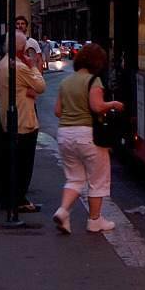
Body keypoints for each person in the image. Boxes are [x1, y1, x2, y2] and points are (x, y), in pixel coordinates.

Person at [52, 43, 124, 234]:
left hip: (64, 135)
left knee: (74, 178)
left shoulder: (65, 82)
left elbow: (58, 111)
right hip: (87, 135)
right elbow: (97, 107)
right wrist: (114, 104)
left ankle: (63, 210)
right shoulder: (94, 81)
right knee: (97, 178)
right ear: (97, 62)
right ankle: (95, 220)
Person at [0, 31, 46, 213]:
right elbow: (40, 86)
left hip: (9, 120)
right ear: (22, 47)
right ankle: (19, 200)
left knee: (11, 164)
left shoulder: (3, 64)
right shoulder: (20, 67)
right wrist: (32, 66)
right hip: (23, 121)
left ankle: (8, 199)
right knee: (23, 165)